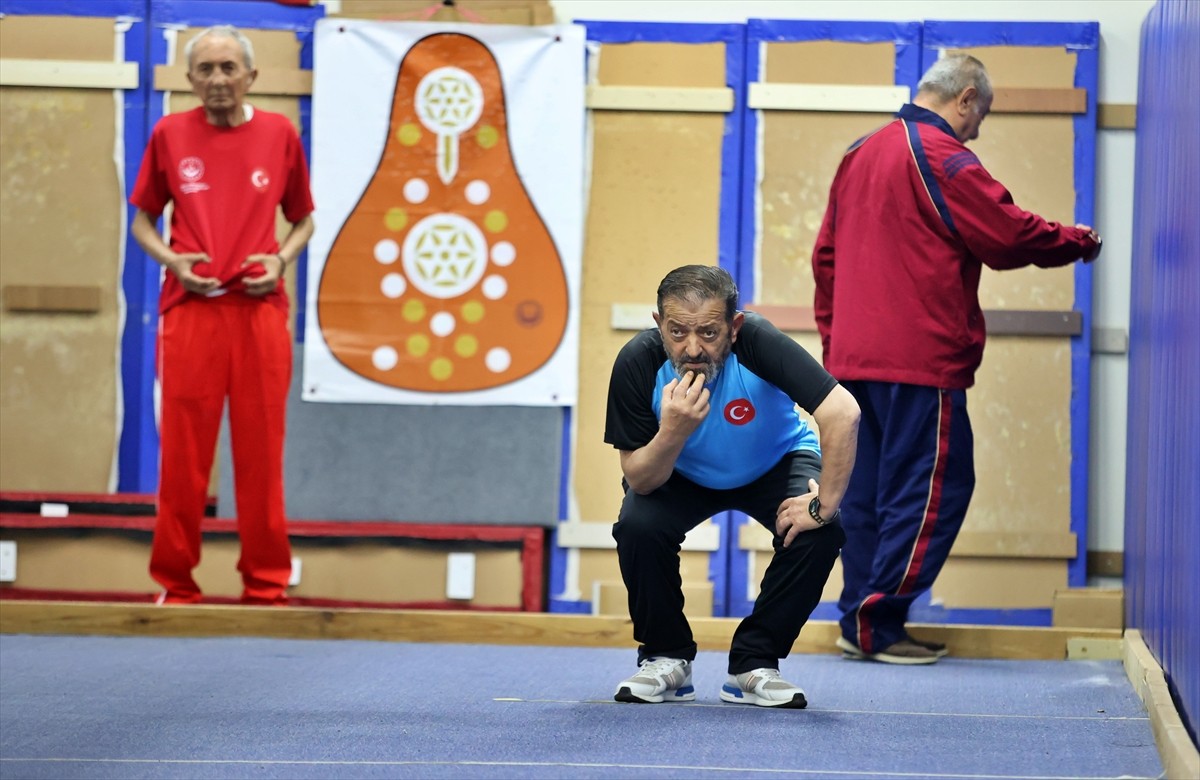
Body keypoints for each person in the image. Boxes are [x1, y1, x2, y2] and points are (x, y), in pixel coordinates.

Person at [812, 53, 1102, 664]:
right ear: (965, 98)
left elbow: (825, 259)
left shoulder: (859, 152)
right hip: (919, 361)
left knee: (864, 495)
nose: (978, 130)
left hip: (853, 363)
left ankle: (856, 618)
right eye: (981, 115)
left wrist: (835, 346)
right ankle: (878, 621)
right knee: (929, 492)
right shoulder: (942, 156)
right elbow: (1007, 234)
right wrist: (1077, 240)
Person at [605, 264, 861, 708]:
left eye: (708, 332)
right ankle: (666, 657)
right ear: (658, 325)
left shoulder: (759, 342)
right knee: (637, 525)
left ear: (734, 326)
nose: (692, 347)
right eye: (677, 331)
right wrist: (673, 433)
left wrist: (824, 506)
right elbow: (641, 479)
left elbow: (842, 413)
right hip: (679, 468)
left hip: (774, 460)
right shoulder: (637, 361)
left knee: (821, 532)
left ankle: (753, 662)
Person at [129, 25, 315, 605]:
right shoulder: (168, 134)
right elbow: (141, 220)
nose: (217, 80)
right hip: (192, 313)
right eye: (205, 70)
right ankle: (175, 585)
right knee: (183, 457)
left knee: (261, 457)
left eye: (228, 68)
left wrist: (280, 260)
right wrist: (174, 263)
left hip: (260, 316)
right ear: (189, 80)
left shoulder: (281, 134)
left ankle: (265, 586)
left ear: (251, 77)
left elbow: (304, 218)